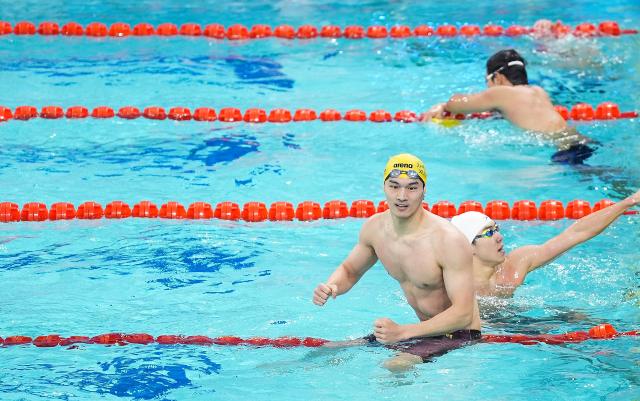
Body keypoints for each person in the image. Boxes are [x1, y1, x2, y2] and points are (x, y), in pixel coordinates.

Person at [312, 153, 482, 370]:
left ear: (424, 191)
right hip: (423, 332)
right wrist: (332, 285)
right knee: (328, 349)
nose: (402, 196)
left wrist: (403, 332)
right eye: (394, 186)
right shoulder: (375, 228)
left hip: (460, 334)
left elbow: (463, 314)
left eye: (412, 188)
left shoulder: (447, 240)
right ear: (384, 187)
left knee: (396, 366)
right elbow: (350, 270)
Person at [450, 189, 640, 297]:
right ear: (468, 247)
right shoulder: (457, 289)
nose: (499, 236)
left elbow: (576, 233)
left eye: (497, 228)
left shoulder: (516, 263)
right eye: (488, 232)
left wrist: (628, 202)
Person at [421, 49, 595, 165]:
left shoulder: (501, 93)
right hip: (581, 140)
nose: (488, 88)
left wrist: (443, 105)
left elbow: (455, 103)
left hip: (566, 151)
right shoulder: (538, 91)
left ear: (497, 77)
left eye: (487, 82)